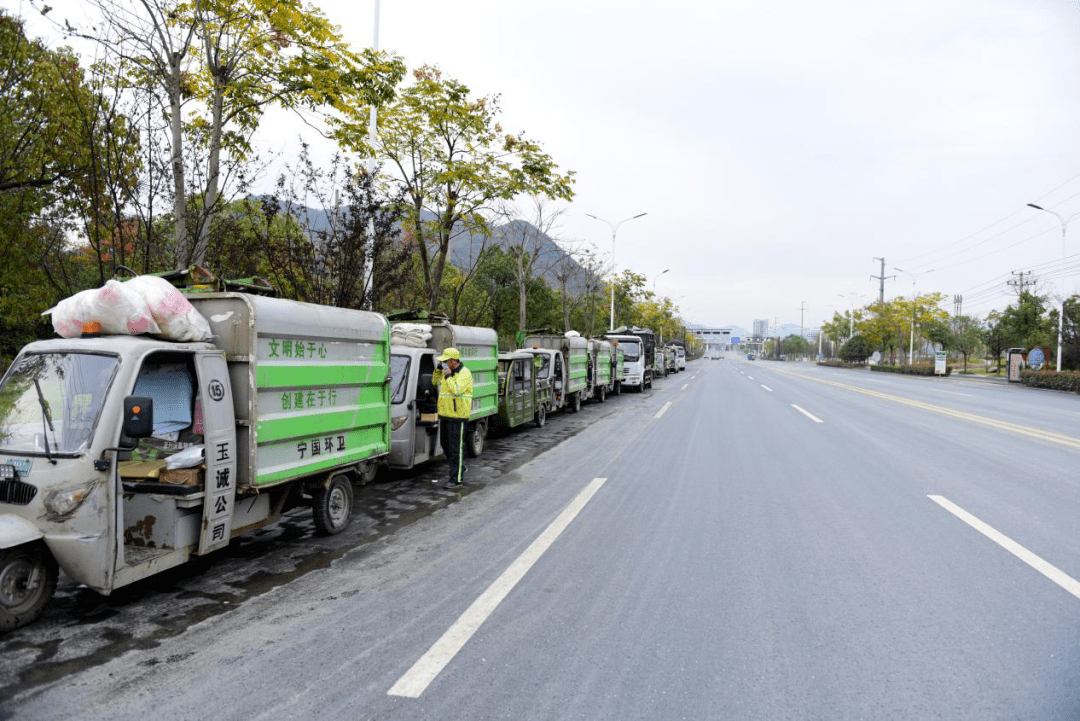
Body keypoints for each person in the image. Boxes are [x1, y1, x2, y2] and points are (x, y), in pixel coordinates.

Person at [432, 347, 473, 489]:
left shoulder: (464, 373)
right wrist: (438, 371)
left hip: (458, 416)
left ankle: (456, 480)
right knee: (445, 445)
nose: (443, 363)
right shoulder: (445, 373)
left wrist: (449, 377)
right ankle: (459, 468)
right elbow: (434, 382)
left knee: (456, 449)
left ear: (453, 361)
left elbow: (456, 391)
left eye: (445, 361)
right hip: (445, 414)